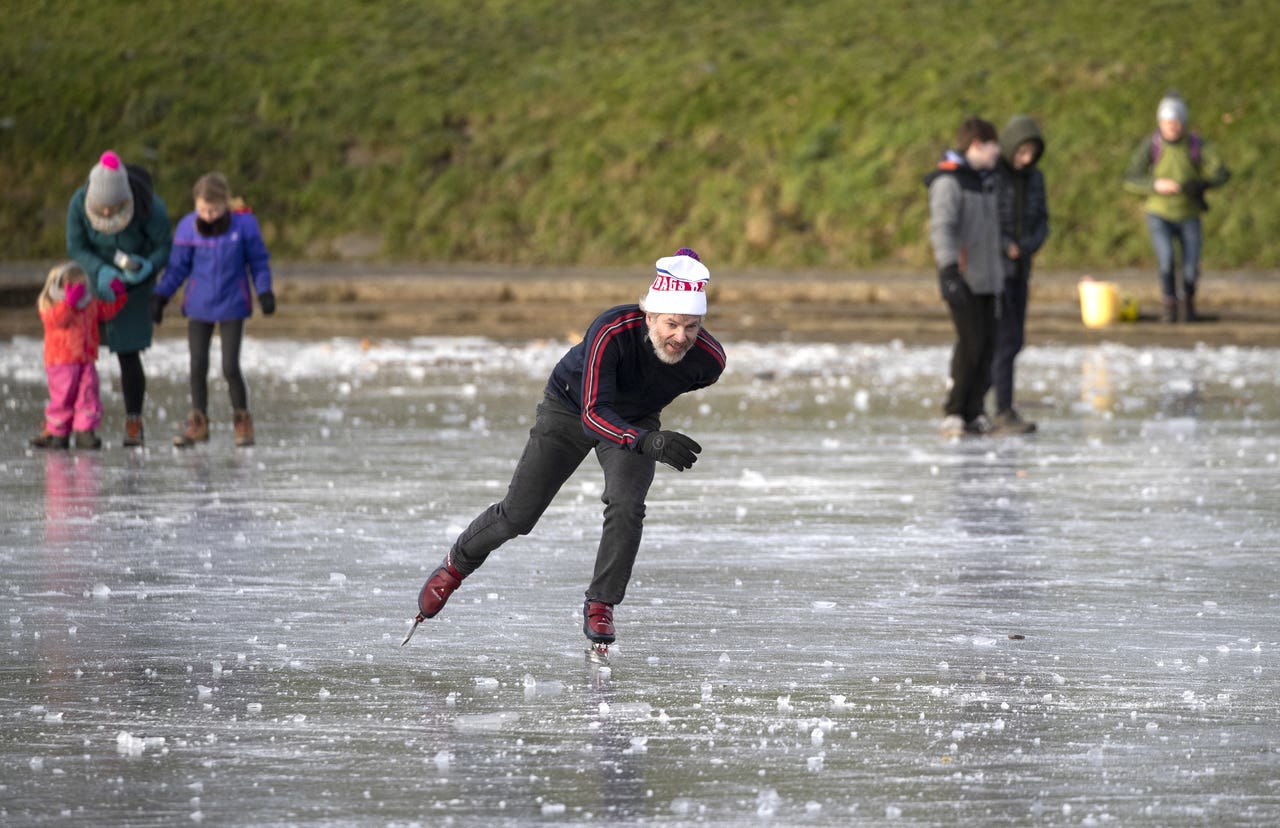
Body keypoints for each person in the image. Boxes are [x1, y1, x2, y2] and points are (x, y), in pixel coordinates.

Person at [403, 248, 726, 656]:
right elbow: (593, 414)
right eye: (671, 324)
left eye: (692, 327)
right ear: (649, 316)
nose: (681, 337)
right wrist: (646, 441)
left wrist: (644, 428)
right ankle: (456, 565)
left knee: (627, 504)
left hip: (636, 420)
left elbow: (662, 381)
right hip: (572, 407)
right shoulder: (611, 330)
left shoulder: (709, 362)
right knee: (519, 515)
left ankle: (601, 603)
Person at [151, 173, 275, 448]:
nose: (208, 216)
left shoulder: (244, 225)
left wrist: (264, 291)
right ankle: (198, 422)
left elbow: (259, 262)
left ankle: (242, 421)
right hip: (199, 305)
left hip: (233, 304)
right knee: (197, 365)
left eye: (214, 210)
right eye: (203, 210)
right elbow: (177, 268)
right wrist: (160, 296)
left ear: (225, 204)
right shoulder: (187, 228)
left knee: (230, 366)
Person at [66, 150, 172, 447]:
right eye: (102, 208)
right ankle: (70, 422)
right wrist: (99, 271)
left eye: (113, 208)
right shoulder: (78, 203)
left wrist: (148, 266)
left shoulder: (149, 206)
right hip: (93, 284)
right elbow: (76, 247)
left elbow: (164, 245)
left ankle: (133, 422)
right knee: (79, 356)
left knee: (129, 354)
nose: (107, 212)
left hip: (133, 289)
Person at [924, 116, 1003, 438]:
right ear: (977, 145)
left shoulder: (985, 181)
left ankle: (975, 409)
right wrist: (949, 270)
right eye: (993, 146)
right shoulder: (949, 182)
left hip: (989, 278)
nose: (997, 153)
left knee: (988, 346)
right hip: (963, 277)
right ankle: (955, 411)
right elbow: (942, 228)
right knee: (971, 343)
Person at [1123, 92, 1230, 323]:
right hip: (1159, 213)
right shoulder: (1153, 145)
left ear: (1183, 122)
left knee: (1191, 267)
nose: (1171, 128)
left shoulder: (1195, 144)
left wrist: (1202, 184)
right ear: (1160, 123)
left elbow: (1222, 172)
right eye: (1167, 123)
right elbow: (1130, 178)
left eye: (1176, 123)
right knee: (1167, 261)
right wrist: (1155, 185)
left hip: (1189, 213)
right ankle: (1169, 305)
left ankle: (1188, 305)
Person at [989, 114, 1050, 435]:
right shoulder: (992, 175)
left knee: (1014, 340)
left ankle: (997, 404)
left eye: (1032, 154)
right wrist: (1003, 245)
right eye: (1022, 152)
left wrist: (1027, 246)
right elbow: (983, 219)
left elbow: (1042, 221)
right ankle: (1000, 409)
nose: (1026, 159)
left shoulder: (1035, 178)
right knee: (1003, 341)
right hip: (994, 270)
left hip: (1020, 269)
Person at [29, 262, 128, 450]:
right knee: (63, 397)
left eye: (82, 285)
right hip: (61, 362)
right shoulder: (51, 305)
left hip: (86, 360)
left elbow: (106, 311)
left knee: (88, 395)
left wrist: (119, 296)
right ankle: (58, 433)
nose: (80, 290)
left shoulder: (88, 303)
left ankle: (85, 432)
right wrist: (68, 303)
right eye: (74, 286)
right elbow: (56, 321)